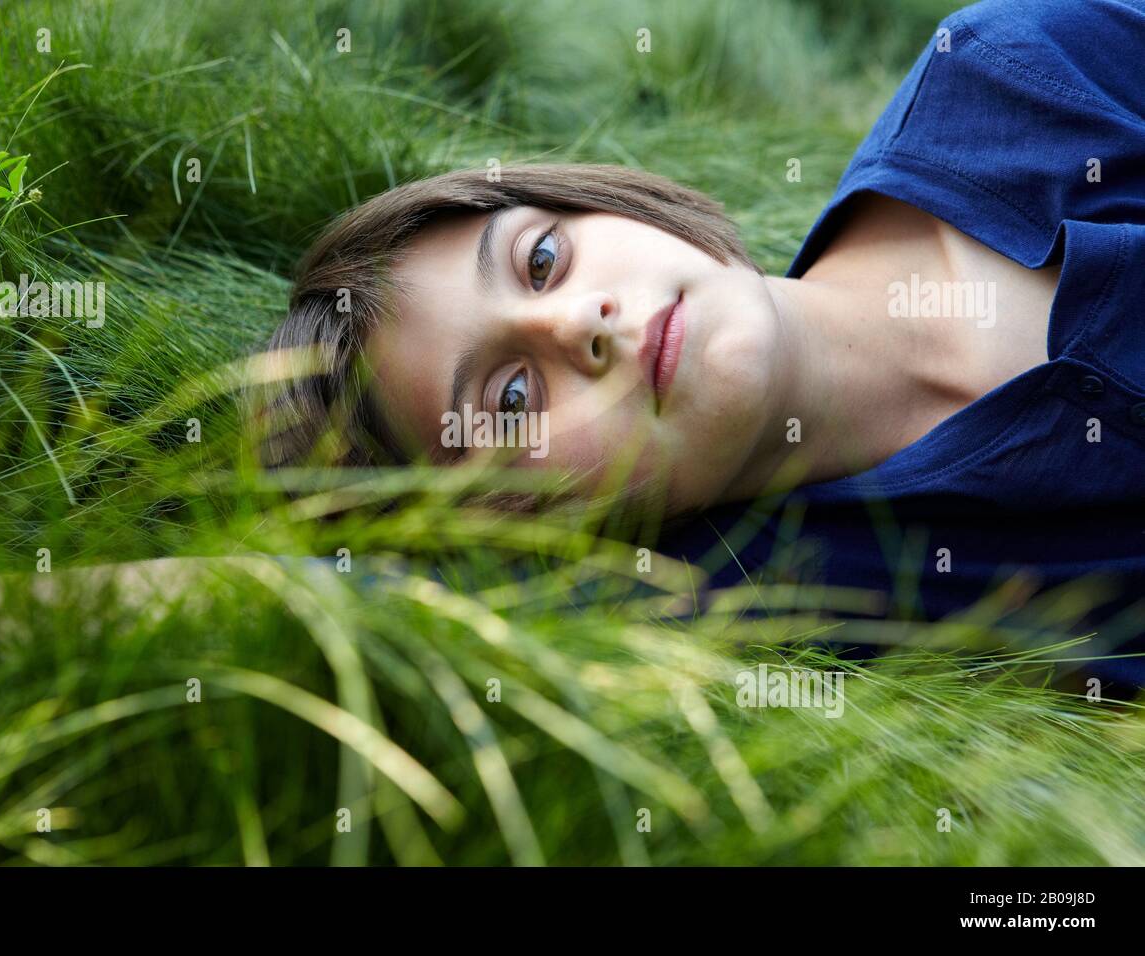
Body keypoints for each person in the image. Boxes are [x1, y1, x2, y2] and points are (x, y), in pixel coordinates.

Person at [265, 0, 1145, 686]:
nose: (580, 325)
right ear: (522, 534)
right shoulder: (748, 610)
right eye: (512, 401)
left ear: (611, 203)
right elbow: (345, 613)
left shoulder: (1018, 75)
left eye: (541, 259)